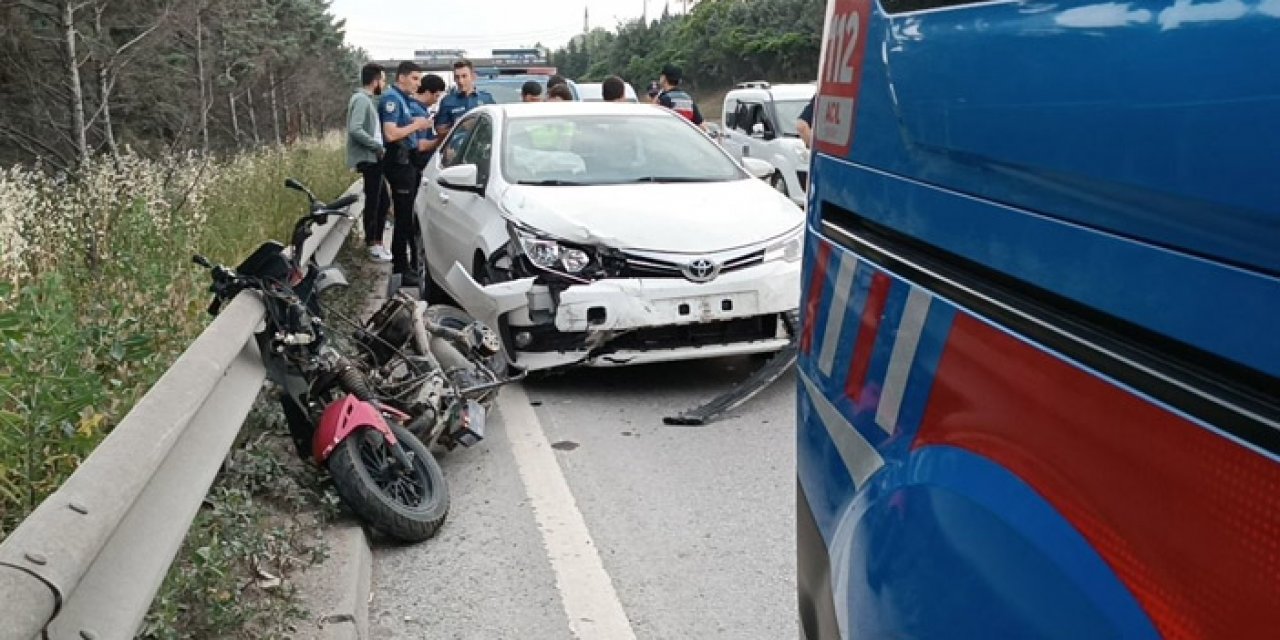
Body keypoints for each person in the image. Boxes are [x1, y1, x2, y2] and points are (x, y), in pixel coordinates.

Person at [379, 60, 432, 287]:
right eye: (414, 79)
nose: (417, 84)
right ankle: (401, 267)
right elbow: (390, 134)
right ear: (401, 77)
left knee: (407, 216)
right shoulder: (392, 99)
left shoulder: (403, 100)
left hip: (406, 161)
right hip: (398, 161)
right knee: (403, 218)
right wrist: (417, 126)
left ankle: (406, 265)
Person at [347, 63, 392, 262]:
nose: (384, 83)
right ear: (375, 81)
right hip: (369, 159)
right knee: (375, 202)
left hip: (374, 158)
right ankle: (372, 244)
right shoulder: (361, 100)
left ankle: (377, 242)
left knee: (383, 201)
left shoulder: (368, 100)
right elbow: (355, 129)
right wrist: (376, 146)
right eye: (382, 79)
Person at [435, 59, 495, 139]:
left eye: (464, 76)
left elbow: (495, 124)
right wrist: (460, 127)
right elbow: (440, 132)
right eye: (457, 77)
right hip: (458, 149)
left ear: (473, 76)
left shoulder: (486, 98)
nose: (460, 81)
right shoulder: (447, 101)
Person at [655, 63, 705, 129]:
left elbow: (657, 123)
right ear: (679, 80)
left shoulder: (665, 99)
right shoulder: (688, 98)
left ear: (664, 77)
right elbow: (701, 124)